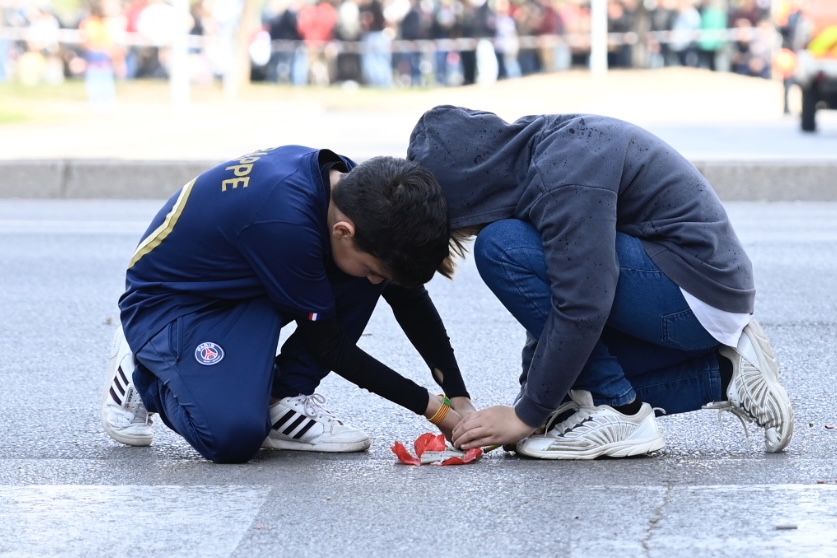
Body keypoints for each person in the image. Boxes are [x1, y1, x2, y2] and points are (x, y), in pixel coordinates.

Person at [407, 105, 794, 459]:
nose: (470, 232)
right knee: (565, 399)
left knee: (499, 247)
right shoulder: (528, 157)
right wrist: (538, 402)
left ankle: (621, 413)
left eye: (463, 227)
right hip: (696, 294)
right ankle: (726, 375)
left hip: (692, 291)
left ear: (469, 195)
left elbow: (581, 302)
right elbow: (555, 288)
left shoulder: (563, 172)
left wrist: (525, 414)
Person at [103, 146, 475, 463]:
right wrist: (433, 408)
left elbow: (406, 295)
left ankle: (279, 397)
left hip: (246, 285)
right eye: (376, 270)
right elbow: (330, 345)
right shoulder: (285, 223)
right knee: (232, 437)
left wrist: (459, 398)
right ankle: (145, 365)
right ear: (343, 231)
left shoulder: (357, 191)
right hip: (173, 305)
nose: (379, 283)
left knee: (363, 275)